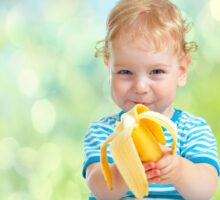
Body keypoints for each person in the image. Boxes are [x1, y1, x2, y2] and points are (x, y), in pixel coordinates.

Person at [82, 0, 220, 199]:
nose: (140, 87)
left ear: (181, 72)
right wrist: (126, 168)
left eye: (156, 71)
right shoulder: (104, 133)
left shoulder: (193, 130)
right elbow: (100, 190)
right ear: (109, 69)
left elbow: (205, 190)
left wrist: (179, 170)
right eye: (125, 72)